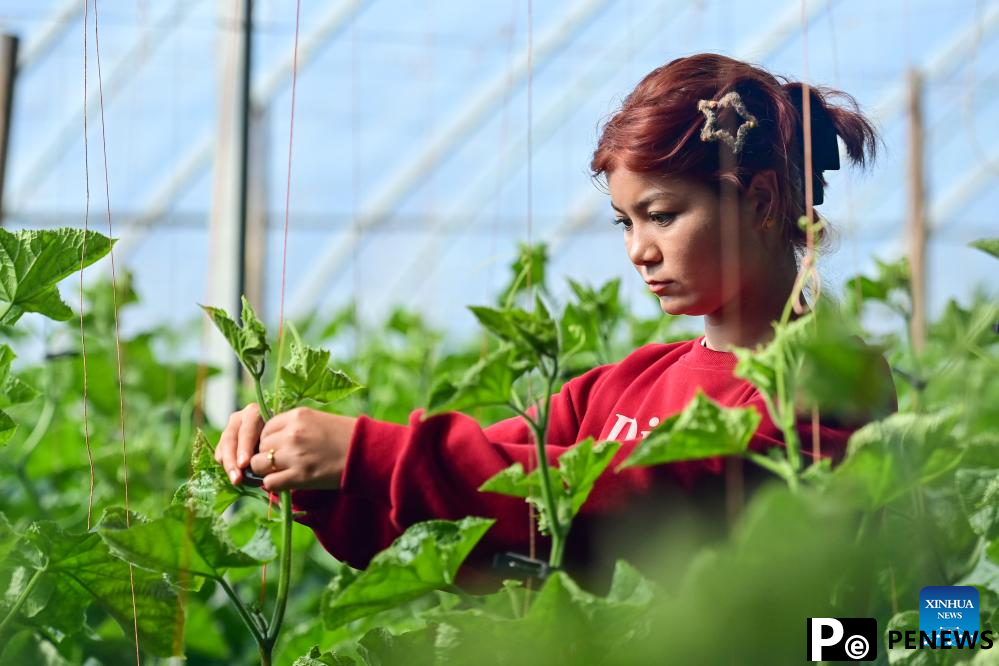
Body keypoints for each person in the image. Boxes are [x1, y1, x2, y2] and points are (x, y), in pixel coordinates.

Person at [214, 53, 889, 570]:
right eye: (623, 222)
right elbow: (473, 516)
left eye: (661, 215)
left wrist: (365, 451)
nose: (637, 251)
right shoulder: (622, 387)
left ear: (764, 203)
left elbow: (649, 506)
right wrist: (308, 474)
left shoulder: (833, 380)